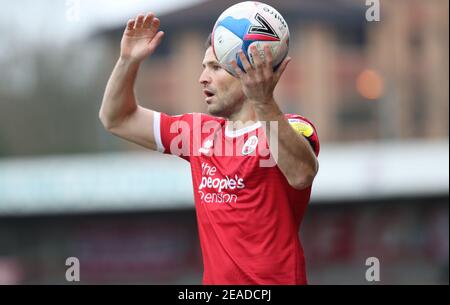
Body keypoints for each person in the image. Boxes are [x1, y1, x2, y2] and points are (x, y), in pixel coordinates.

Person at [99, 12, 320, 285]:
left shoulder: (291, 128)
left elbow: (301, 174)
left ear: (251, 73)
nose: (203, 78)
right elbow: (117, 118)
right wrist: (127, 61)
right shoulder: (197, 134)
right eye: (204, 67)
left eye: (215, 67)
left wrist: (263, 103)